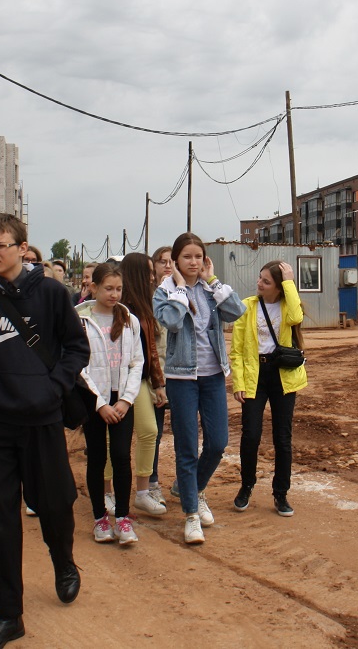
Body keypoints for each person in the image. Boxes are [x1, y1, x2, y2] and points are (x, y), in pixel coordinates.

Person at [0, 213, 89, 649]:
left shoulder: (51, 294)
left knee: (54, 506)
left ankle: (64, 561)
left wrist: (53, 387)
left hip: (42, 423)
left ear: (21, 247)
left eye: (0, 245)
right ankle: (9, 614)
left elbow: (76, 348)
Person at [153, 233, 244, 545]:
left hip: (213, 376)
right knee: (187, 447)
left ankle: (192, 488)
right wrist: (179, 288)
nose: (193, 262)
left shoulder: (209, 289)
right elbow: (173, 322)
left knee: (218, 443)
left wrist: (213, 279)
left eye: (198, 257)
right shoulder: (164, 292)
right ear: (176, 261)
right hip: (181, 379)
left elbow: (236, 312)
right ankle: (191, 514)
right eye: (186, 257)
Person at [229, 261, 306, 517]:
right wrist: (238, 382)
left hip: (282, 375)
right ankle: (246, 486)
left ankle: (281, 493)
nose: (259, 284)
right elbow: (237, 349)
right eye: (260, 278)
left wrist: (290, 282)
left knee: (282, 438)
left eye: (266, 281)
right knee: (250, 435)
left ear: (279, 286)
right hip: (255, 375)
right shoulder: (248, 306)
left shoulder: (288, 306)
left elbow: (296, 317)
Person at [76, 263, 144, 546]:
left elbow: (136, 361)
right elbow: (79, 365)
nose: (115, 294)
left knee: (121, 456)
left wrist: (127, 400)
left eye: (119, 289)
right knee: (96, 458)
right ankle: (99, 519)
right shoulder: (79, 320)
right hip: (94, 402)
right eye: (108, 288)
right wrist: (100, 403)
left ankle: (124, 519)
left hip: (122, 402)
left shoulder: (129, 319)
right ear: (94, 287)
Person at [106, 252, 166, 517]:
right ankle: (106, 492)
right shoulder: (116, 307)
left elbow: (151, 349)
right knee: (111, 440)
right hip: (112, 382)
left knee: (149, 431)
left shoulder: (144, 307)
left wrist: (158, 383)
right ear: (139, 274)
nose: (153, 277)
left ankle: (142, 493)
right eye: (150, 272)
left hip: (139, 380)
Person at [148, 245, 173, 500]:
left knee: (185, 433)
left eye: (170, 261)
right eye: (162, 261)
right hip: (156, 376)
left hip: (180, 374)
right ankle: (152, 482)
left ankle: (184, 481)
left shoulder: (182, 293)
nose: (167, 265)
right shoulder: (147, 297)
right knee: (154, 433)